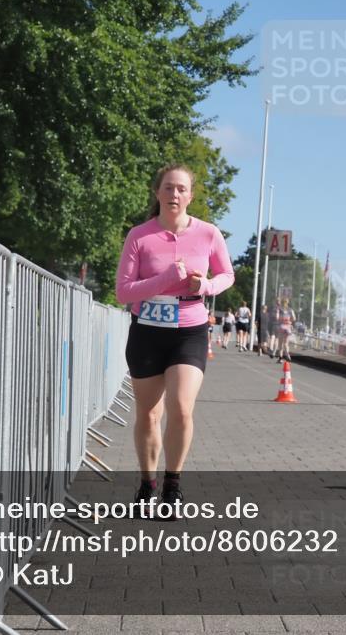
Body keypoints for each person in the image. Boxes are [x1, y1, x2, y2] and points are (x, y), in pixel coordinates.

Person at [115, 164, 234, 511]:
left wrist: (207, 286)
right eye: (168, 188)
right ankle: (146, 483)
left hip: (190, 328)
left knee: (181, 407)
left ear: (190, 196)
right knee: (148, 414)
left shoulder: (209, 233)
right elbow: (123, 292)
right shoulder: (139, 235)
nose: (174, 195)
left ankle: (172, 486)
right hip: (147, 331)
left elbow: (227, 274)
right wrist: (165, 278)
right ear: (157, 193)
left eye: (181, 189)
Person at [275, 297, 296, 363]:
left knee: (280, 344)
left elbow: (277, 317)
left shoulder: (279, 309)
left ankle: (280, 358)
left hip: (281, 327)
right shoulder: (290, 310)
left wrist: (281, 319)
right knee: (286, 343)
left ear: (281, 302)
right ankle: (287, 355)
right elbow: (294, 318)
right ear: (288, 302)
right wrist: (289, 321)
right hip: (288, 327)